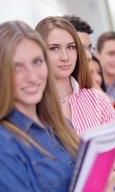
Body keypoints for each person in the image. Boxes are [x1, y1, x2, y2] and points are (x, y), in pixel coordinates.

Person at [35, 16, 115, 191]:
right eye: (54, 48)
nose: (65, 57)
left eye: (71, 47)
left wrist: (94, 188)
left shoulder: (97, 100)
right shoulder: (32, 107)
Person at [0, 20, 81, 192]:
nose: (32, 77)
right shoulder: (5, 143)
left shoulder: (63, 125)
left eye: (37, 62)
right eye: (17, 67)